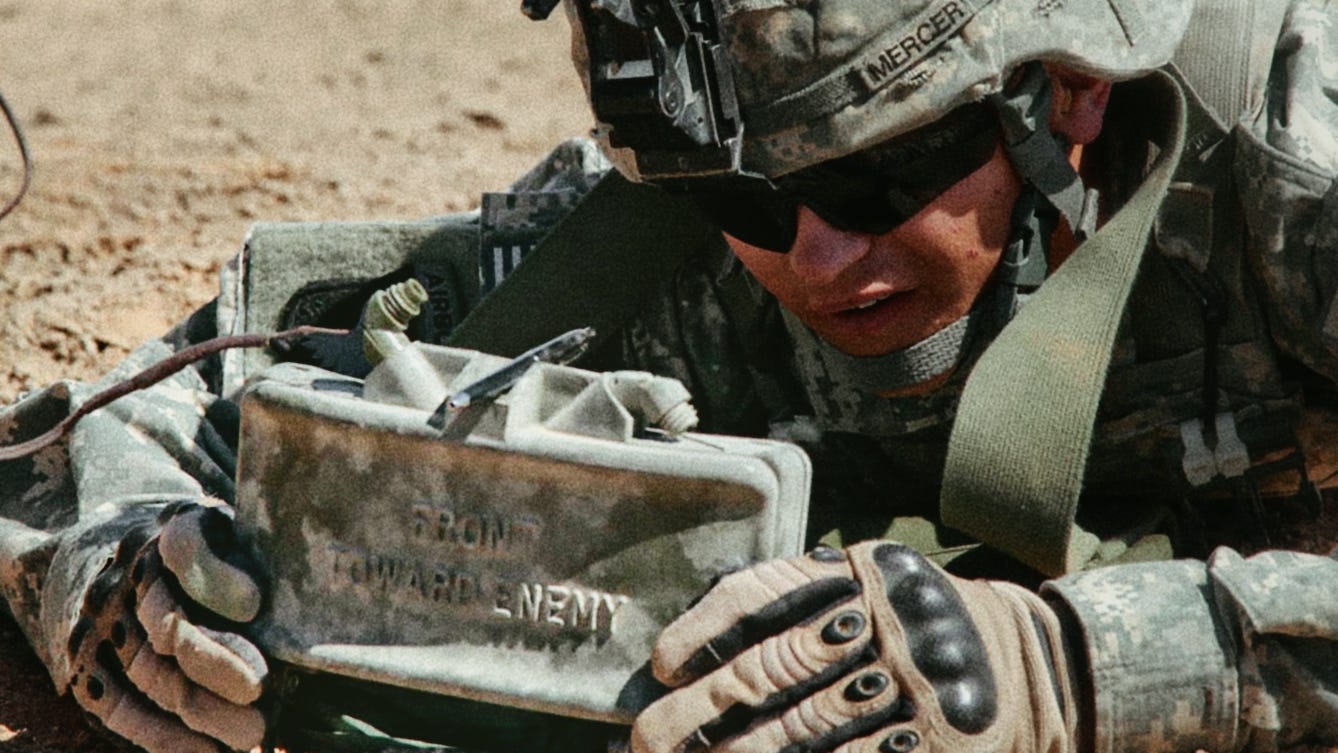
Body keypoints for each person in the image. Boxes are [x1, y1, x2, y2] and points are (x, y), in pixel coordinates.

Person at [0, 0, 1336, 751]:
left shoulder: (1297, 156)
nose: (817, 254)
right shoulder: (655, 233)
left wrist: (1081, 669)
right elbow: (116, 425)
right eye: (745, 197)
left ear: (1068, 91)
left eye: (878, 175)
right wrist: (111, 568)